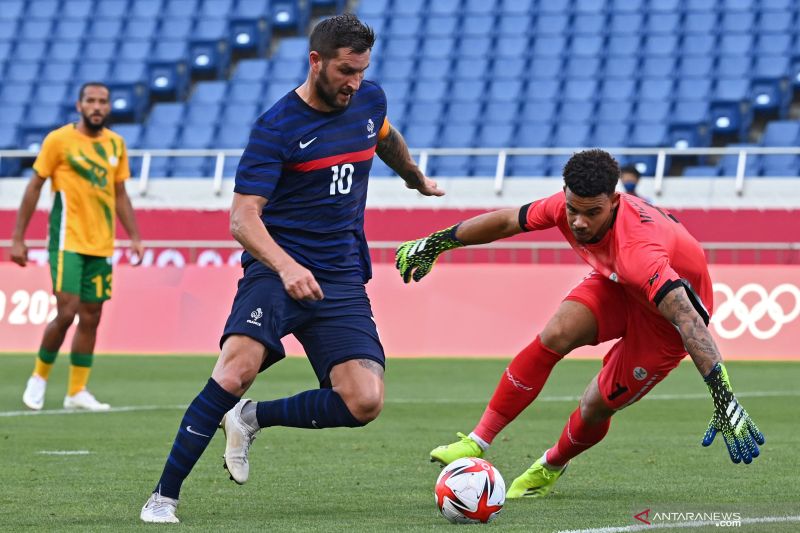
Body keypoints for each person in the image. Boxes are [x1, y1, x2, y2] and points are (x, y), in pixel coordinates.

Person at [140, 14, 444, 524]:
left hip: (341, 274)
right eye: (346, 70)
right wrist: (284, 267)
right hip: (276, 272)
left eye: (362, 70)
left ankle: (251, 417)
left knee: (363, 401)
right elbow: (242, 218)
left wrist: (413, 175)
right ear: (316, 61)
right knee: (236, 369)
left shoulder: (369, 98)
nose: (354, 82)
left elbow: (384, 135)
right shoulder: (276, 127)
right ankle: (163, 497)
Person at [395, 149, 764, 499]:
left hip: (665, 323)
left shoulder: (640, 252)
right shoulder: (564, 208)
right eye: (573, 210)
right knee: (556, 333)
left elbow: (688, 319)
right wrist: (436, 243)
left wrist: (723, 396)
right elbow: (508, 221)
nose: (579, 222)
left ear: (615, 202)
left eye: (593, 213)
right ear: (565, 195)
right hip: (619, 285)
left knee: (595, 405)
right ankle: (477, 440)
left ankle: (551, 465)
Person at [12, 82, 144, 412]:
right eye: (91, 101)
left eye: (102, 101)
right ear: (79, 105)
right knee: (67, 312)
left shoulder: (116, 144)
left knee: (91, 317)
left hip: (101, 245)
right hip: (66, 242)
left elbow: (120, 194)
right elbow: (34, 187)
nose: (97, 106)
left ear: (109, 107)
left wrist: (135, 236)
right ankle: (39, 378)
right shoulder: (59, 141)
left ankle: (76, 391)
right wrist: (18, 237)